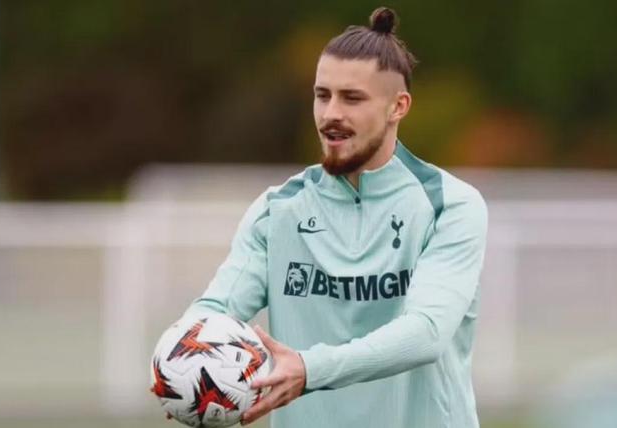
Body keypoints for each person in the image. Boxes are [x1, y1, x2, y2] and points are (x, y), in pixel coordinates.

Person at [185, 7, 488, 428]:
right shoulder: (277, 210)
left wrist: (310, 369)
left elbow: (426, 333)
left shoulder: (449, 206)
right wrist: (178, 354)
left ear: (398, 107)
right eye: (322, 95)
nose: (330, 114)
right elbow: (217, 309)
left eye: (352, 98)